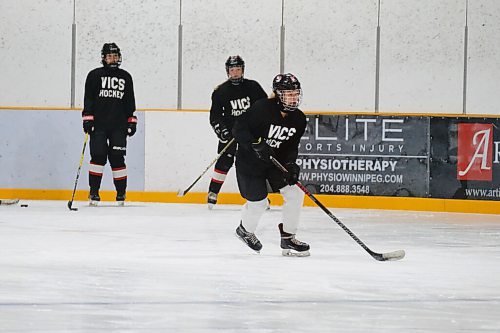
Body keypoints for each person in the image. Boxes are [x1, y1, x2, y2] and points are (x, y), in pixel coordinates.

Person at [232, 73, 310, 256]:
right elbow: (239, 129)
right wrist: (255, 143)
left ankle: (288, 238)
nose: (293, 98)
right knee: (259, 204)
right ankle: (245, 230)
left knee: (295, 192)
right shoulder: (262, 109)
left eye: (295, 93)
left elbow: (291, 147)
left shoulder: (299, 119)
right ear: (278, 94)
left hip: (273, 163)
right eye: (288, 94)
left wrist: (291, 165)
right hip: (249, 163)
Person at [207, 55, 267, 209]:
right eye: (232, 69)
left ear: (243, 70)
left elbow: (265, 108)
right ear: (228, 71)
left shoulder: (253, 87)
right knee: (224, 162)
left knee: (254, 164)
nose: (235, 73)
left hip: (249, 135)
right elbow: (214, 115)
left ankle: (259, 197)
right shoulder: (220, 91)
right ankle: (213, 192)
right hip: (230, 135)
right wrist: (223, 131)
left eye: (238, 69)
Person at [82, 42, 137, 206]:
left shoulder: (126, 77)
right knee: (98, 157)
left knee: (117, 158)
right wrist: (87, 118)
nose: (113, 59)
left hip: (118, 126)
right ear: (104, 58)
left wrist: (131, 121)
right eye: (109, 56)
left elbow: (129, 101)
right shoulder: (94, 75)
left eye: (115, 56)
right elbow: (89, 99)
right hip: (98, 125)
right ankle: (94, 193)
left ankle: (121, 193)